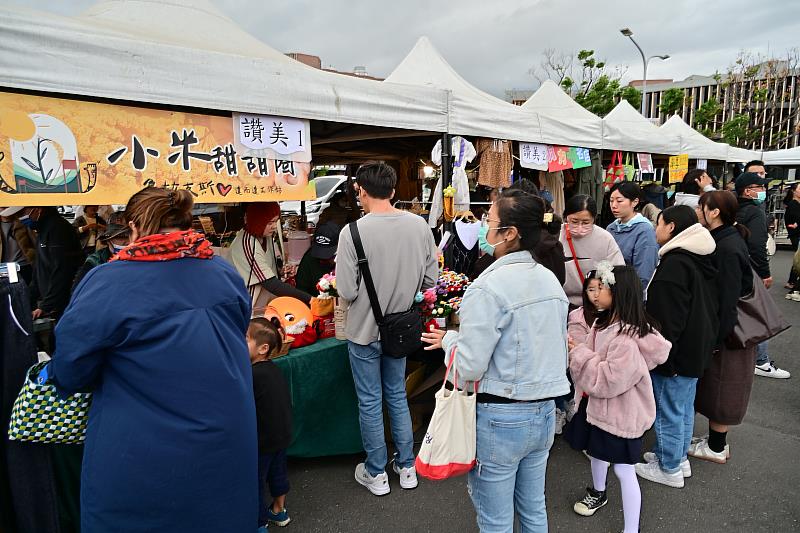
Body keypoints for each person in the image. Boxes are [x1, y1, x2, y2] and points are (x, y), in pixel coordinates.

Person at [49, 187, 258, 532]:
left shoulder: (108, 281)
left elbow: (70, 370)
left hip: (142, 449)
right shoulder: (222, 271)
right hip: (226, 434)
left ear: (134, 227)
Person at [422, 189, 570, 532]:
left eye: (489, 220)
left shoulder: (488, 287)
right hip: (544, 411)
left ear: (510, 233)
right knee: (534, 511)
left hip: (500, 414)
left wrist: (449, 339)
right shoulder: (549, 280)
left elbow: (470, 366)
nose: (484, 228)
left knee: (495, 520)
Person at [335, 162, 438, 496]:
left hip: (364, 331)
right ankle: (407, 466)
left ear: (360, 191)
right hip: (401, 331)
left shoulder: (351, 233)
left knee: (369, 400)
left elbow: (347, 291)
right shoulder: (419, 227)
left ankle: (376, 473)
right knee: (396, 394)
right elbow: (430, 281)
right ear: (393, 191)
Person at [566, 264, 670, 533]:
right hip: (598, 408)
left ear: (620, 293)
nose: (595, 294)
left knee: (624, 470)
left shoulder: (624, 338)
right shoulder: (605, 323)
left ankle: (631, 528)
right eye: (594, 288)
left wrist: (578, 354)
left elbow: (607, 380)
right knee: (596, 456)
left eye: (602, 288)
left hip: (619, 414)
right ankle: (598, 492)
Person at [636, 205, 719, 489]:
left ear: (670, 227)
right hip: (696, 348)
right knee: (682, 407)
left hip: (677, 352)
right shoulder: (697, 257)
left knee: (668, 408)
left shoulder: (674, 264)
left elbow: (667, 321)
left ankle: (668, 467)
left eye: (658, 224)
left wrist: (663, 358)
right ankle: (676, 457)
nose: (655, 229)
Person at [691, 191, 755, 463]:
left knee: (723, 386)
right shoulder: (725, 238)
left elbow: (728, 299)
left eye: (700, 206)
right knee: (717, 385)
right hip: (726, 328)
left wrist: (717, 339)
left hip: (730, 332)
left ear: (714, 212)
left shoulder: (727, 246)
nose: (697, 210)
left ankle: (717, 447)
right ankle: (714, 442)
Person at [735, 168, 790, 378]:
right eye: (760, 187)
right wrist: (765, 273)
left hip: (734, 266)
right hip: (750, 269)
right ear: (748, 191)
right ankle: (761, 360)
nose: (764, 190)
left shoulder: (732, 208)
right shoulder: (754, 213)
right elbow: (757, 244)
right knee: (760, 313)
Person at [248, 317, 293, 533]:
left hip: (262, 440)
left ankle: (259, 523)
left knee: (255, 481)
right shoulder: (274, 369)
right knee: (278, 473)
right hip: (281, 436)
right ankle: (279, 510)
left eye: (245, 339)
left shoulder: (251, 375)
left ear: (263, 348)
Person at [230, 202, 312, 309]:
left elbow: (266, 267)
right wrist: (310, 299)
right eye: (269, 223)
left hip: (267, 303)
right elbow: (270, 283)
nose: (274, 227)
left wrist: (281, 271)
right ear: (257, 222)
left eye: (275, 221)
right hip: (250, 305)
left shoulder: (266, 236)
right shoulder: (247, 244)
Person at [18, 206, 83, 320]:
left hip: (64, 302)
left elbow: (62, 270)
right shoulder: (43, 229)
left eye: (23, 212)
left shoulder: (57, 229)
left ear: (38, 209)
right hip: (52, 300)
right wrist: (28, 298)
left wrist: (46, 305)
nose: (21, 217)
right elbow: (39, 268)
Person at [561, 194, 625, 307]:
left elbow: (618, 273)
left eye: (586, 222)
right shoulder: (557, 236)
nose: (579, 228)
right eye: (574, 221)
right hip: (562, 301)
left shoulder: (605, 238)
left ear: (594, 219)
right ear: (566, 217)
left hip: (593, 305)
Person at [606, 182, 659, 291]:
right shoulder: (611, 228)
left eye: (619, 201)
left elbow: (644, 273)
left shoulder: (644, 230)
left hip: (630, 293)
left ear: (635, 202)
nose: (614, 205)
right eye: (611, 201)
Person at [71, 211, 131, 291]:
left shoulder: (142, 258)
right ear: (108, 239)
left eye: (130, 236)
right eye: (120, 237)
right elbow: (78, 290)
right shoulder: (95, 261)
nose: (127, 242)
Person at [295, 221, 339, 296]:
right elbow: (301, 290)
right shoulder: (309, 258)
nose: (322, 260)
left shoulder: (347, 258)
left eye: (328, 256)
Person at [0, 205, 36, 284]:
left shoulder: (22, 222)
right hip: (4, 269)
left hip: (24, 265)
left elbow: (35, 240)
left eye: (5, 206)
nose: (3, 209)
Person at [782, 183, 800, 295]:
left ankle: (792, 281)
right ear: (794, 191)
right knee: (798, 258)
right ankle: (793, 284)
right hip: (796, 235)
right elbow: (795, 220)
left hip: (797, 233)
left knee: (798, 258)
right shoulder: (793, 204)